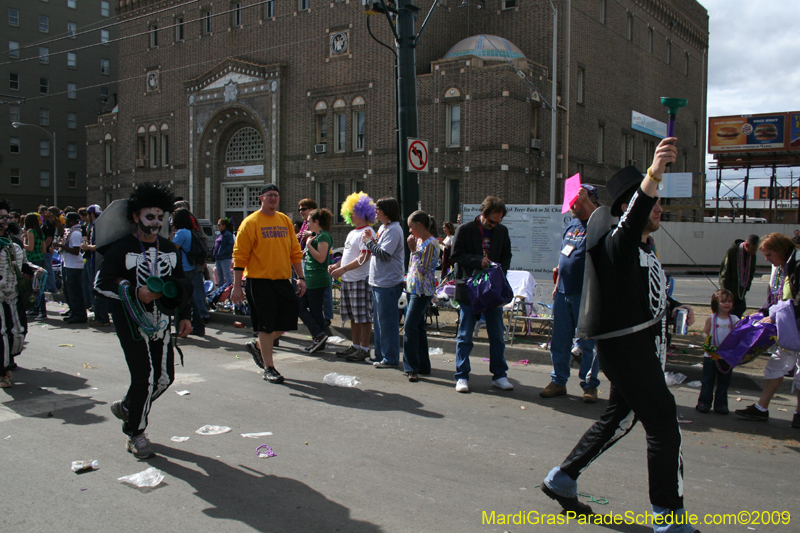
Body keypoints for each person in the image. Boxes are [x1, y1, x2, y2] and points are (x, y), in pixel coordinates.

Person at [541, 138, 699, 532]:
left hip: (643, 350)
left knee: (619, 418)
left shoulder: (648, 250)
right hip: (626, 352)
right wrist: (654, 173)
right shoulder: (617, 244)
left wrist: (679, 310)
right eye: (654, 201)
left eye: (660, 201)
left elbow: (647, 298)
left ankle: (562, 478)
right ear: (629, 209)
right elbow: (635, 216)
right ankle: (668, 517)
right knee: (663, 423)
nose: (660, 207)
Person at [95, 183, 192, 458]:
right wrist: (134, 291)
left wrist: (185, 316)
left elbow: (180, 285)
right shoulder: (121, 248)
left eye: (160, 217)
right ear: (136, 217)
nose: (156, 222)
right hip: (130, 321)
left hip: (161, 322)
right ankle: (135, 433)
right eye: (150, 217)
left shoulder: (170, 248)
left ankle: (128, 406)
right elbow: (99, 285)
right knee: (145, 377)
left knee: (164, 378)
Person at [231, 183, 305, 384]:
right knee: (265, 325)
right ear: (261, 198)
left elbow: (295, 252)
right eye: (269, 195)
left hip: (282, 280)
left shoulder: (285, 221)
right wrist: (237, 286)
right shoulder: (250, 222)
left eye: (276, 195)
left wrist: (300, 277)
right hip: (259, 281)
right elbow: (239, 257)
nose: (273, 199)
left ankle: (257, 346)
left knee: (289, 319)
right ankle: (269, 367)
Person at [540, 184, 601, 403]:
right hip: (564, 291)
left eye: (576, 200)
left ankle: (589, 385)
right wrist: (558, 278)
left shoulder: (597, 224)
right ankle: (558, 381)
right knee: (560, 340)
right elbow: (565, 253)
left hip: (585, 294)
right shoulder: (572, 225)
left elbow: (602, 223)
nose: (572, 205)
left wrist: (585, 199)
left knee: (587, 343)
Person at [734, 233, 800, 429]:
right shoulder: (782, 267)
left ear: (780, 250)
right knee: (776, 365)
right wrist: (762, 312)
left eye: (769, 254)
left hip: (792, 323)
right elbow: (775, 296)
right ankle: (762, 408)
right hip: (788, 325)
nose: (767, 259)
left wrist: (774, 315)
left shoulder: (796, 265)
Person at [451, 196, 513, 393]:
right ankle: (461, 376)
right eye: (491, 221)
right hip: (470, 289)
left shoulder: (502, 232)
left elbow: (506, 256)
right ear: (482, 214)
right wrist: (478, 261)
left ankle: (499, 375)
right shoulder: (465, 229)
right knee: (465, 334)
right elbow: (456, 255)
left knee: (497, 335)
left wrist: (498, 272)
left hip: (492, 291)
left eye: (499, 221)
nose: (495, 225)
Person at [0, 200, 45, 385]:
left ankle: (7, 361)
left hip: (14, 295)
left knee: (18, 332)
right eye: (0, 217)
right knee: (1, 333)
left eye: (5, 217)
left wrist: (36, 270)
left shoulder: (15, 242)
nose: (4, 221)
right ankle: (2, 372)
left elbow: (24, 264)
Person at [329, 192, 376, 362]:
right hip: (349, 280)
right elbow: (349, 255)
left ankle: (364, 348)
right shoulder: (352, 233)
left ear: (364, 213)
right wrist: (337, 265)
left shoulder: (368, 231)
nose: (351, 215)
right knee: (354, 316)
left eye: (354, 212)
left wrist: (343, 269)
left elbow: (364, 258)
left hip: (360, 279)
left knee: (363, 317)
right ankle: (356, 346)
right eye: (349, 212)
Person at [362, 197, 405, 368]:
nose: (375, 212)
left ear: (386, 211)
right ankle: (379, 354)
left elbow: (384, 254)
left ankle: (390, 358)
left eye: (378, 209)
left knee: (387, 322)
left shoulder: (394, 230)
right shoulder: (383, 227)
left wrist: (367, 242)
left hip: (388, 283)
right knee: (379, 321)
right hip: (378, 281)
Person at [403, 210, 440, 382]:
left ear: (419, 225)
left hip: (422, 291)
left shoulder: (432, 244)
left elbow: (424, 269)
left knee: (410, 327)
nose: (409, 231)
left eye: (411, 227)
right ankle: (423, 365)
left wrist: (413, 250)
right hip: (413, 288)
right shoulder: (419, 241)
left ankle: (411, 367)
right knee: (418, 327)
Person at [697, 289, 738, 415]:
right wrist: (707, 339)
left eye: (729, 301)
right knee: (708, 380)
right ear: (716, 303)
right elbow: (705, 332)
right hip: (711, 355)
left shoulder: (734, 319)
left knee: (724, 382)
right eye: (723, 302)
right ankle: (704, 403)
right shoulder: (712, 318)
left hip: (726, 356)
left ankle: (721, 405)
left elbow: (738, 334)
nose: (727, 304)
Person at [298, 208, 333, 354]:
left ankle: (319, 337)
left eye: (309, 222)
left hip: (318, 279)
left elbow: (321, 258)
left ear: (316, 222)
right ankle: (319, 337)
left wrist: (308, 246)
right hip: (311, 279)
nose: (307, 224)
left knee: (315, 310)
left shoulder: (323, 236)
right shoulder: (316, 236)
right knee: (300, 306)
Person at [172, 208, 206, 336]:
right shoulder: (191, 232)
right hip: (191, 268)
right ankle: (197, 326)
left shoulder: (181, 233)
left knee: (185, 299)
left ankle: (189, 326)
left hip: (183, 269)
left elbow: (172, 249)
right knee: (191, 298)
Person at [80, 205, 111, 327]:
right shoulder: (97, 225)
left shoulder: (98, 226)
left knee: (98, 290)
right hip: (94, 261)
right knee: (94, 289)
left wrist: (88, 247)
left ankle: (102, 318)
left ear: (91, 215)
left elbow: (101, 245)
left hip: (98, 261)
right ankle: (99, 315)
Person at [54, 212, 87, 324]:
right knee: (69, 291)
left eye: (67, 220)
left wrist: (61, 246)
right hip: (68, 264)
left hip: (74, 266)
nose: (65, 222)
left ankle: (79, 314)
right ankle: (73, 311)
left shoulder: (76, 233)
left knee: (75, 291)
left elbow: (76, 251)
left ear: (72, 221)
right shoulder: (70, 232)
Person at [718, 234, 758, 318]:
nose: (754, 252)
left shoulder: (752, 256)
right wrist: (725, 290)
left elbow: (751, 272)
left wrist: (747, 287)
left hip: (741, 290)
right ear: (746, 245)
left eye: (756, 250)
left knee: (741, 309)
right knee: (730, 312)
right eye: (753, 249)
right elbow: (724, 272)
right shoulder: (732, 252)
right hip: (730, 289)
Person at [23, 213, 48, 320]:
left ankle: (38, 310)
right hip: (40, 259)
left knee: (34, 287)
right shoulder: (40, 232)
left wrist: (22, 242)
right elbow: (44, 250)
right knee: (39, 287)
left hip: (32, 260)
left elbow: (30, 248)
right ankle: (37, 310)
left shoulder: (30, 232)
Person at [212, 218, 235, 287]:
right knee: (219, 275)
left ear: (224, 225)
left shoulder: (228, 234)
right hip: (218, 258)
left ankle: (231, 290)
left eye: (219, 225)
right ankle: (220, 291)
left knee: (227, 274)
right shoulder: (219, 234)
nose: (218, 226)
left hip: (225, 258)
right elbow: (216, 245)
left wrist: (223, 252)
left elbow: (231, 245)